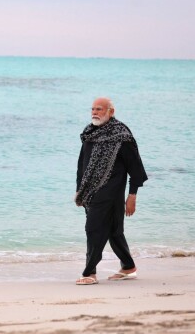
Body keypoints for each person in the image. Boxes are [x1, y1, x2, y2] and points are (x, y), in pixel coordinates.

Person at [74, 97, 148, 285]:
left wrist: (132, 195)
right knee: (114, 231)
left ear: (110, 111)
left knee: (93, 229)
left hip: (111, 192)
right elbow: (82, 165)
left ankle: (90, 272)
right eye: (92, 109)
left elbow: (136, 169)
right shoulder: (89, 133)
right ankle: (128, 267)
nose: (94, 112)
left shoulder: (121, 136)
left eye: (99, 109)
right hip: (90, 192)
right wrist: (79, 191)